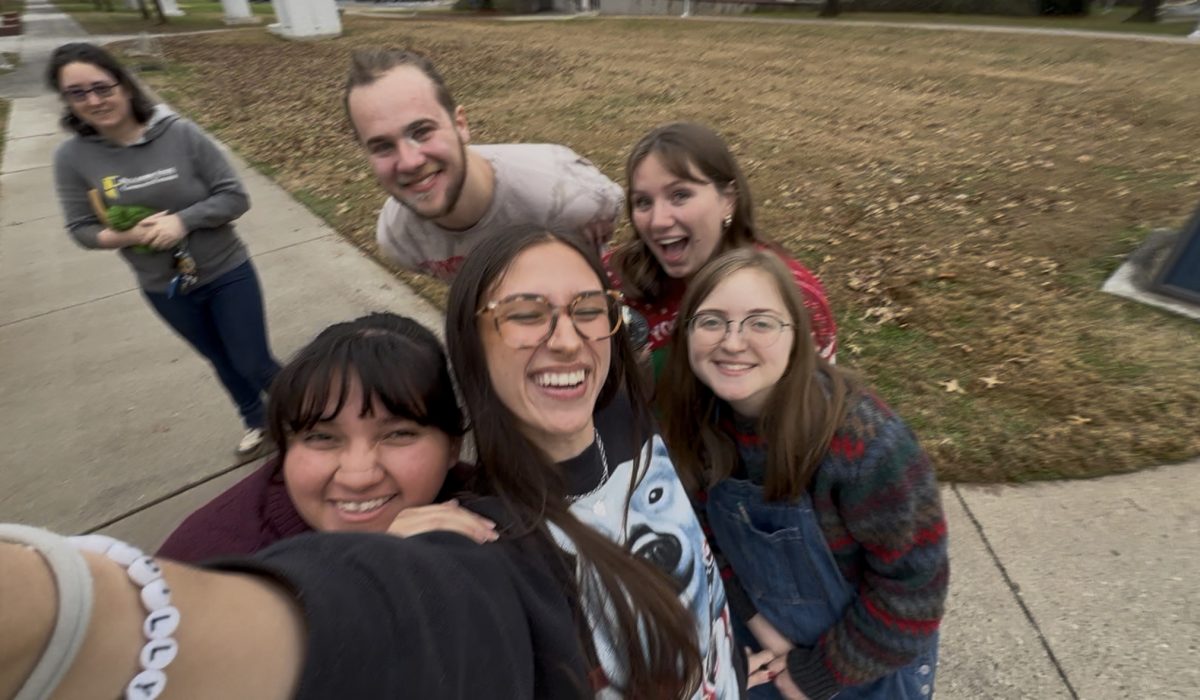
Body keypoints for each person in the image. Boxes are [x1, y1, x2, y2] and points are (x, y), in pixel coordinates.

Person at [445, 228, 741, 697]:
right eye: (525, 314)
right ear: (471, 343)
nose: (567, 340)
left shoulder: (633, 417)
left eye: (587, 310)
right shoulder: (486, 545)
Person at [659, 248, 949, 700]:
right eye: (712, 321)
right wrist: (765, 635)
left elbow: (916, 590)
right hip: (765, 648)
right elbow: (708, 548)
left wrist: (817, 674)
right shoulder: (694, 427)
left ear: (798, 336)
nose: (733, 342)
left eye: (761, 322)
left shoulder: (864, 444)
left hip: (867, 663)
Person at [0, 523, 596, 699]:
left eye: (399, 434)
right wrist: (68, 608)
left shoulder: (479, 527)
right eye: (321, 437)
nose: (358, 469)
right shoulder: (201, 546)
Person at [48, 42, 280, 456]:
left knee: (253, 361)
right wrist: (130, 236)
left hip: (225, 271)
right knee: (221, 361)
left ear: (124, 84)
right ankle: (256, 421)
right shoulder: (72, 158)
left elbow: (234, 197)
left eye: (102, 87)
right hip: (164, 287)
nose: (95, 100)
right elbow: (80, 229)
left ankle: (311, 417)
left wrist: (182, 221)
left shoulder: (180, 134)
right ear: (66, 101)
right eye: (78, 93)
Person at [157, 313, 490, 563]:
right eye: (322, 438)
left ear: (452, 445)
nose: (357, 476)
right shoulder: (211, 565)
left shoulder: (488, 506)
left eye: (398, 434)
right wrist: (376, 565)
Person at [344, 48, 623, 281]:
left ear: (460, 124)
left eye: (422, 131)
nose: (409, 162)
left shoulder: (568, 192)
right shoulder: (400, 241)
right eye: (382, 146)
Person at [605, 122, 837, 378]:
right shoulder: (614, 276)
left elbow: (809, 405)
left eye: (680, 195)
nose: (658, 220)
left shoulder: (788, 300)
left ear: (728, 200)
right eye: (643, 202)